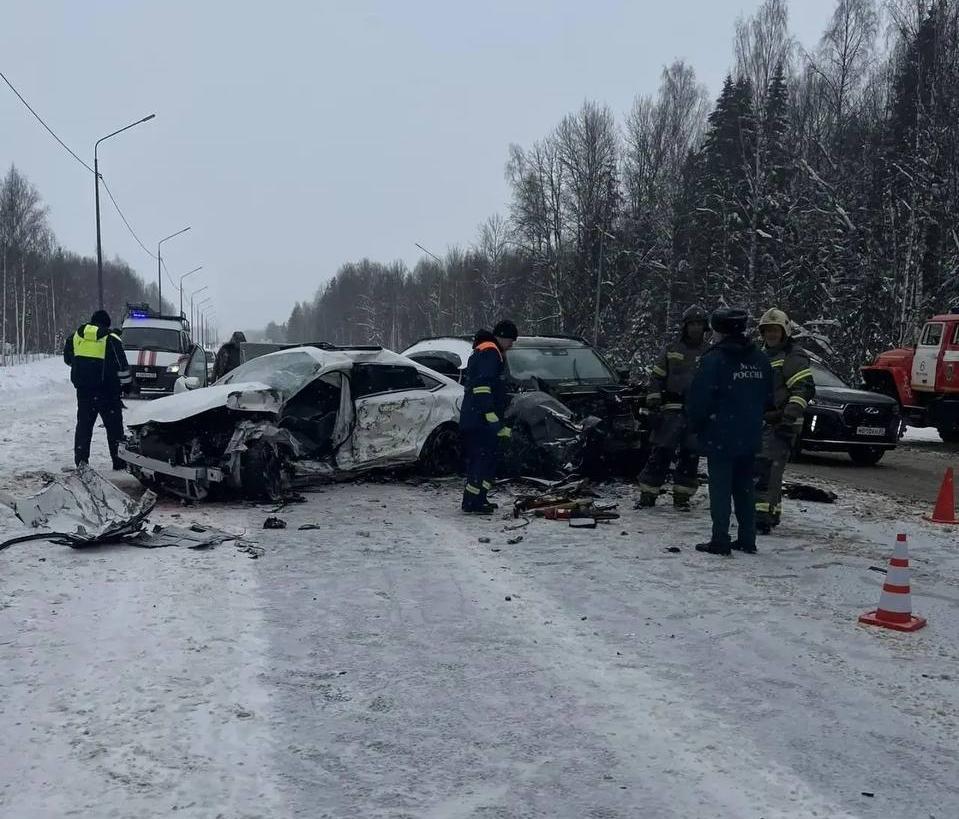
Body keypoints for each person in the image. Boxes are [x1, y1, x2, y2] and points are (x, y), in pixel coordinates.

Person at [686, 307, 773, 555]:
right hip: (750, 433)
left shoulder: (714, 360)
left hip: (721, 433)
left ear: (720, 332)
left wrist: (696, 424)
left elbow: (700, 398)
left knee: (720, 489)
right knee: (745, 487)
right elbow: (768, 396)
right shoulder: (760, 359)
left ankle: (720, 539)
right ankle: (747, 538)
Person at [637, 304, 709, 510]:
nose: (695, 328)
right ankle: (648, 493)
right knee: (661, 452)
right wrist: (653, 403)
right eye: (692, 324)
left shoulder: (709, 353)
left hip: (695, 412)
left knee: (690, 455)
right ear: (685, 326)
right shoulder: (671, 349)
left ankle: (682, 496)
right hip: (671, 410)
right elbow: (656, 377)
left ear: (704, 327)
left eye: (699, 324)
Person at [754, 308, 815, 534]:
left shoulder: (792, 356)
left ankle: (760, 517)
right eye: (767, 330)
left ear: (785, 332)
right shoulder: (763, 355)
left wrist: (786, 416)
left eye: (775, 330)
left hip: (781, 423)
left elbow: (804, 389)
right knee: (768, 470)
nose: (771, 334)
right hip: (765, 421)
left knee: (766, 469)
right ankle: (769, 513)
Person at [459, 319, 518, 514]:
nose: (511, 345)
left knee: (486, 460)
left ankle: (479, 499)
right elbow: (482, 387)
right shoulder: (491, 353)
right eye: (511, 341)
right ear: (503, 337)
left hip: (477, 418)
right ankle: (472, 502)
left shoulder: (486, 351)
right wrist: (491, 417)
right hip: (480, 420)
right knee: (481, 460)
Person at [63, 309, 132, 470]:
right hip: (108, 392)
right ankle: (119, 462)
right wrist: (127, 385)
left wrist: (84, 368)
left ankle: (81, 462)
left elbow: (68, 359)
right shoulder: (111, 338)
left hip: (84, 391)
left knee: (84, 427)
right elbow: (122, 366)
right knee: (114, 429)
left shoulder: (75, 336)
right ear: (106, 324)